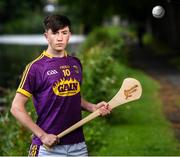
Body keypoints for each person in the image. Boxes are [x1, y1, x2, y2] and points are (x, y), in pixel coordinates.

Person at [10, 14, 111, 156]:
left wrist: (92, 107)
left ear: (70, 35)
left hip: (78, 146)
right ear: (46, 36)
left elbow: (71, 96)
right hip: (47, 149)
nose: (60, 38)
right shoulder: (35, 68)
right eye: (55, 33)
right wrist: (43, 135)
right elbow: (16, 107)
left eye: (64, 33)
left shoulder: (75, 63)